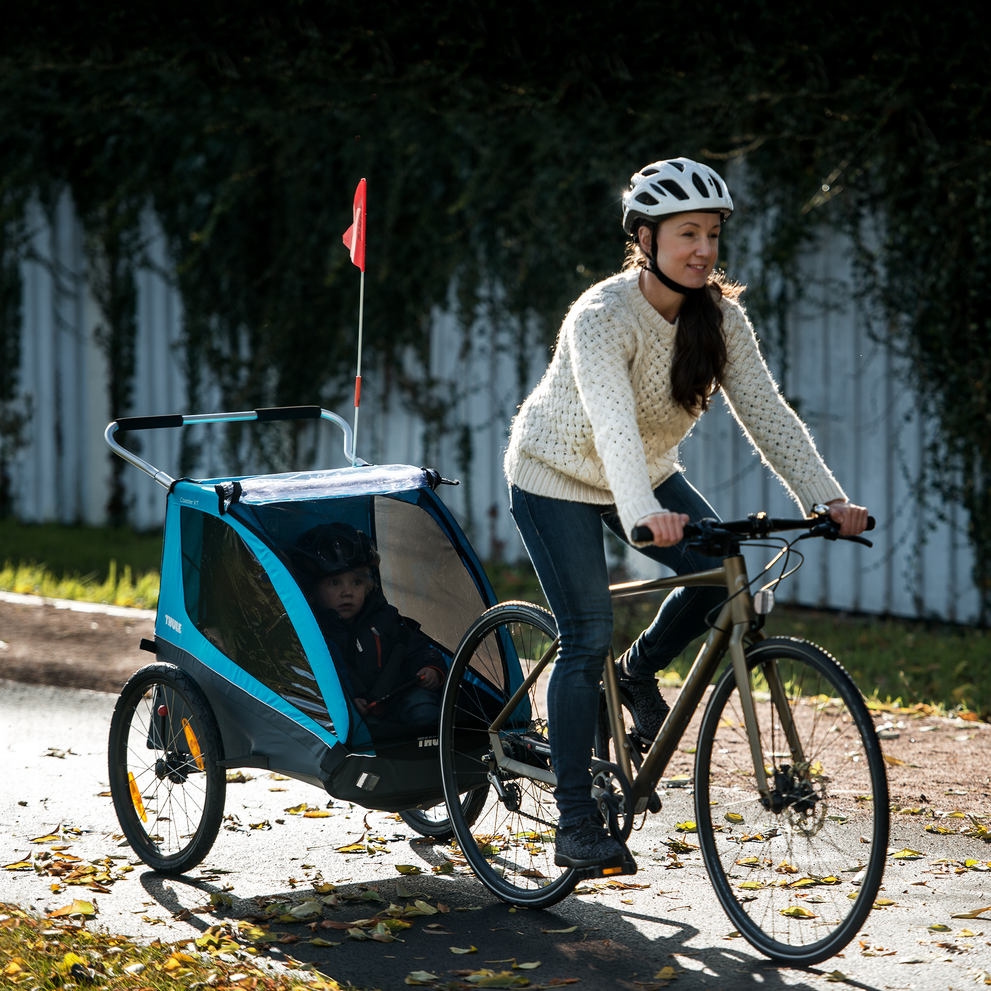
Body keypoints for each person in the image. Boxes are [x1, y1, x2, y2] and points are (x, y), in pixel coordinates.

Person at [503, 157, 869, 871]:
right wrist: (641, 515)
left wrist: (825, 499)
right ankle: (574, 820)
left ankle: (639, 674)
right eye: (685, 234)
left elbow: (768, 415)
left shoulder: (719, 318)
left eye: (711, 233)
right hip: (555, 474)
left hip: (646, 474)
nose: (702, 248)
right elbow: (610, 423)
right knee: (585, 634)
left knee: (722, 584)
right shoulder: (601, 316)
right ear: (644, 237)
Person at [292, 523, 445, 726]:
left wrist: (431, 667)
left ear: (368, 586)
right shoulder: (311, 632)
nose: (348, 592)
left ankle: (438, 753)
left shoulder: (385, 618)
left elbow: (415, 647)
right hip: (352, 715)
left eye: (357, 582)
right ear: (311, 591)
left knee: (423, 704)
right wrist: (345, 702)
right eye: (334, 583)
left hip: (397, 700)